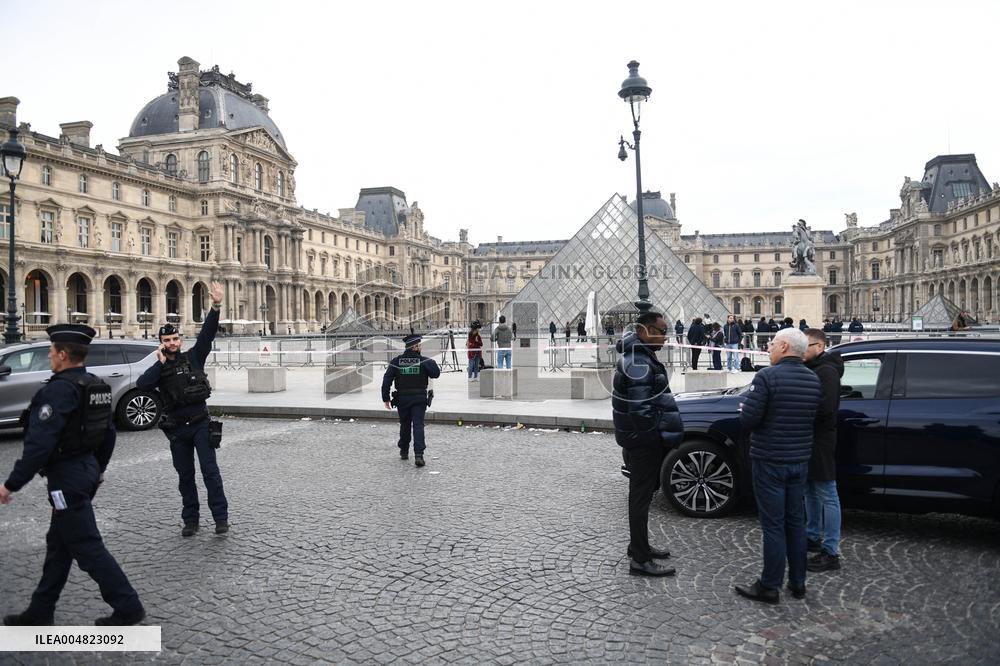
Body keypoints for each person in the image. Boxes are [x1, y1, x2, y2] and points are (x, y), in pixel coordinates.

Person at [1, 324, 145, 627]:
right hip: (87, 472)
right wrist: (99, 469)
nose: (50, 356)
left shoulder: (58, 390)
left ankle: (128, 606)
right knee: (59, 545)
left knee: (86, 545)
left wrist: (10, 485)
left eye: (52, 352)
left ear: (63, 354)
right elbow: (108, 434)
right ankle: (40, 610)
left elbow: (39, 445)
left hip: (66, 479)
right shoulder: (95, 385)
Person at [735, 327, 820, 604]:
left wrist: (745, 409)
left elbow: (749, 420)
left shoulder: (767, 377)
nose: (768, 349)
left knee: (773, 525)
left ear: (784, 347)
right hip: (798, 461)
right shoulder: (812, 379)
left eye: (772, 344)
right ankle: (798, 583)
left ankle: (769, 585)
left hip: (770, 460)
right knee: (796, 522)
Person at [137, 281, 229, 537]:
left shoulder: (194, 357)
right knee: (185, 477)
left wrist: (216, 306)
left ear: (180, 339)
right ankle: (191, 520)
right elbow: (142, 384)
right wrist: (160, 362)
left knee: (211, 473)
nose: (173, 343)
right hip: (177, 430)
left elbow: (207, 334)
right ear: (162, 343)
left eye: (175, 338)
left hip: (201, 424)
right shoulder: (160, 366)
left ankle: (221, 518)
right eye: (167, 340)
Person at [612, 311, 682, 577]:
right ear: (645, 331)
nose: (666, 337)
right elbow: (641, 411)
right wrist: (654, 438)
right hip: (643, 442)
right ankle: (640, 560)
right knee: (640, 500)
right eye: (662, 331)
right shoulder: (639, 362)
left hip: (638, 439)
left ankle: (638, 546)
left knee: (641, 497)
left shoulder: (640, 356)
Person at [803, 329, 844, 573]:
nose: (802, 350)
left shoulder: (826, 371)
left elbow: (825, 409)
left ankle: (830, 551)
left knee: (827, 492)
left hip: (821, 439)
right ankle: (811, 535)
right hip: (812, 438)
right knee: (810, 489)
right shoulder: (817, 368)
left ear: (819, 346)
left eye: (806, 346)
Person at [382, 334, 441, 467]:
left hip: (402, 399)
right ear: (415, 347)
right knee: (418, 425)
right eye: (419, 346)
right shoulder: (424, 361)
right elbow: (436, 373)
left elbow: (387, 380)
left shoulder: (397, 362)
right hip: (419, 399)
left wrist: (386, 398)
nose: (420, 348)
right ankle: (419, 455)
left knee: (405, 424)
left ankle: (404, 450)